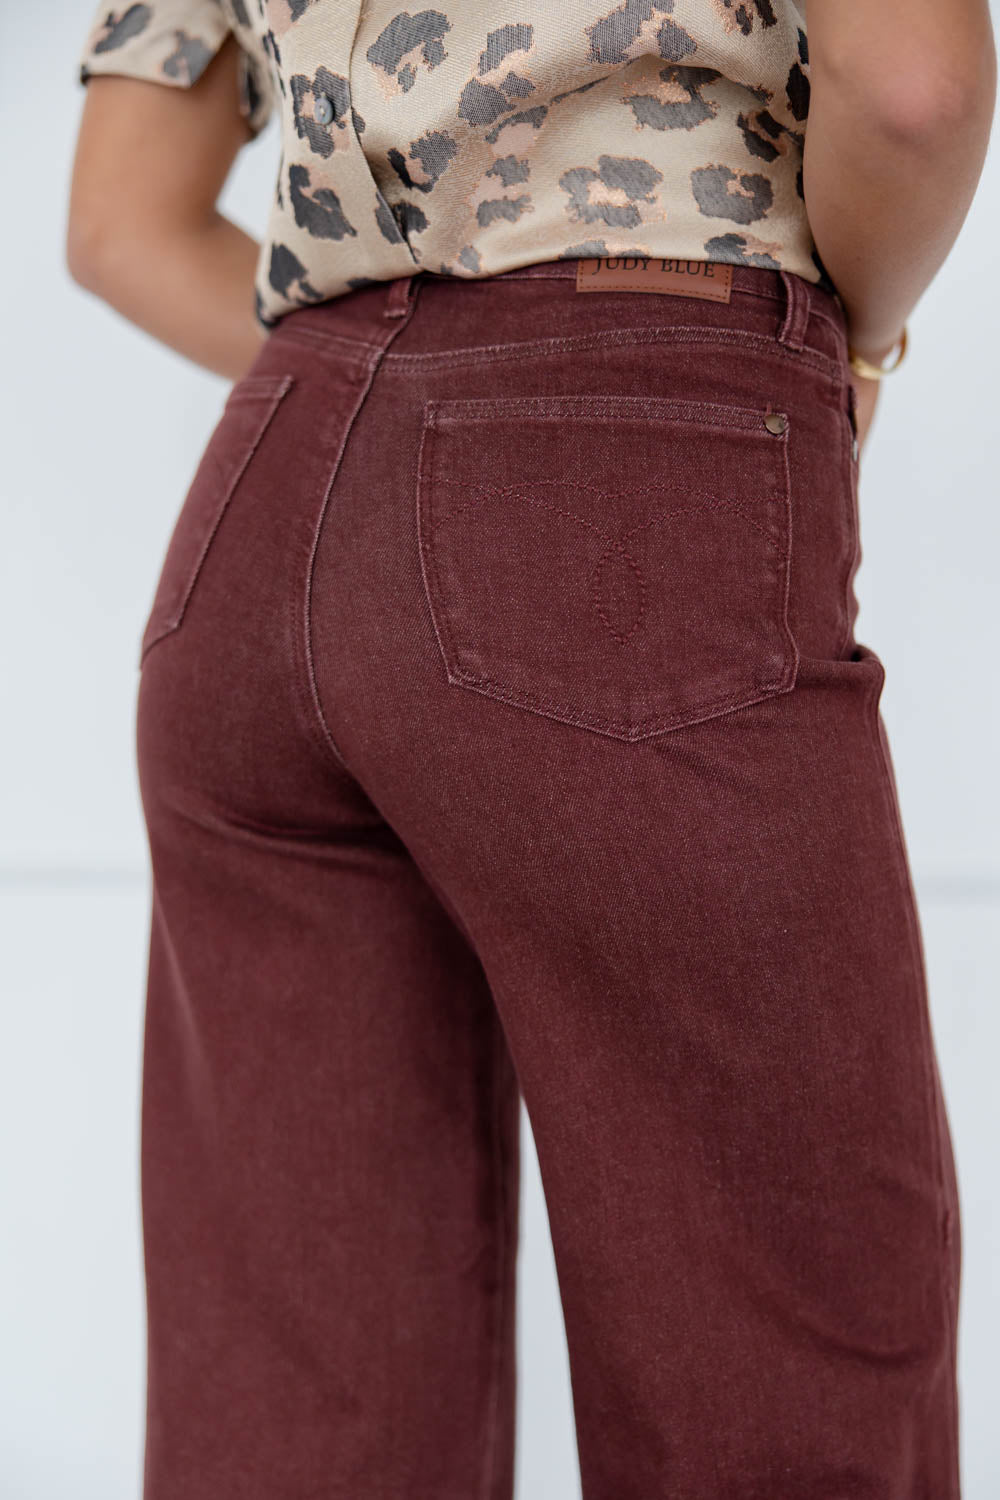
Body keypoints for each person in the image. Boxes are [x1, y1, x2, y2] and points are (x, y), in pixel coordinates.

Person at [66, 4, 995, 1497]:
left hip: (265, 512)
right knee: (787, 1371)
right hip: (629, 449)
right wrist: (856, 354)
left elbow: (117, 223)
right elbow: (913, 91)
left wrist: (396, 394)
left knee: (303, 1420)